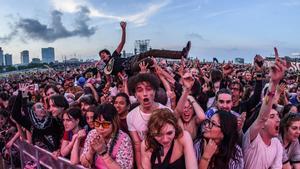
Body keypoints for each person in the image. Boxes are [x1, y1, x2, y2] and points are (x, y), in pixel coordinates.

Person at [242, 47, 287, 169]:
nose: (278, 119)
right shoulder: (251, 139)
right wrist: (273, 84)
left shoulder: (277, 144)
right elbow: (262, 116)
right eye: (271, 116)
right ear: (261, 124)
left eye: (277, 116)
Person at [98, 21, 191, 76]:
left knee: (152, 51)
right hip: (131, 68)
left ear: (108, 54)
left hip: (133, 58)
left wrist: (123, 29)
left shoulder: (114, 55)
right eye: (101, 56)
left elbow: (122, 42)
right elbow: (109, 79)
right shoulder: (106, 69)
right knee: (148, 60)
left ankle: (181, 54)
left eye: (103, 54)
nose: (102, 56)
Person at [126, 73, 170, 169]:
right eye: (140, 90)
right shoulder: (131, 116)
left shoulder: (167, 112)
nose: (145, 94)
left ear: (155, 91)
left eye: (149, 89)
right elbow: (137, 145)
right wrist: (139, 166)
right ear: (135, 95)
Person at [80, 103, 133, 168]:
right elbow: (84, 163)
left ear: (114, 122)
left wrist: (103, 153)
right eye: (97, 123)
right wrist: (91, 151)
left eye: (105, 124)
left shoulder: (124, 139)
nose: (100, 128)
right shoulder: (92, 134)